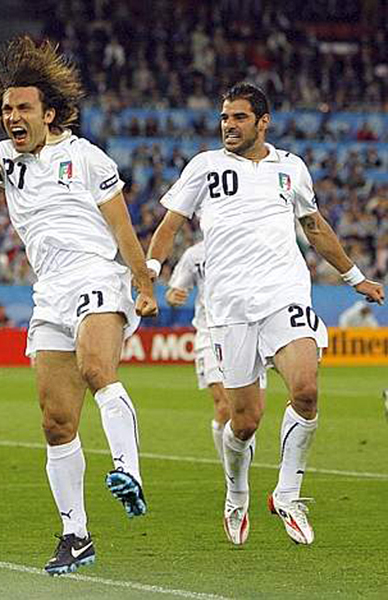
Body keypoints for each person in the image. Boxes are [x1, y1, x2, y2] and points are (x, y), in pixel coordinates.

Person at [0, 36, 157, 576]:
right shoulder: (6, 161)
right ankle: (76, 535)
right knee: (56, 422)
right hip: (49, 293)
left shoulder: (85, 157)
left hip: (96, 276)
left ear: (50, 113)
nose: (12, 117)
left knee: (95, 368)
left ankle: (127, 470)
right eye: (7, 109)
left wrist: (144, 283)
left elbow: (121, 225)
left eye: (22, 108)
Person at [146, 83, 384, 547]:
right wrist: (150, 275)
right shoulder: (206, 166)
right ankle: (237, 493)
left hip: (285, 294)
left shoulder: (290, 168)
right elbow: (169, 224)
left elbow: (314, 226)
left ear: (262, 121)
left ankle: (288, 494)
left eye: (238, 118)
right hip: (231, 308)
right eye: (224, 118)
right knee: (245, 421)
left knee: (307, 390)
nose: (228, 126)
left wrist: (355, 277)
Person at [165, 240, 267, 463]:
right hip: (209, 333)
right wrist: (173, 297)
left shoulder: (250, 245)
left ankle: (238, 471)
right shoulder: (195, 254)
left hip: (249, 332)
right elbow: (174, 292)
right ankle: (232, 475)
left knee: (253, 414)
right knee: (225, 406)